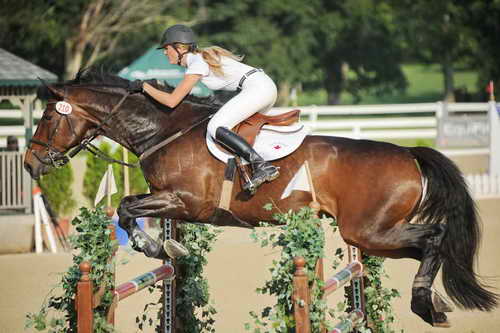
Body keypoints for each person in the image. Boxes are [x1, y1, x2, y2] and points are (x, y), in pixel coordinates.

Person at [127, 24, 279, 194]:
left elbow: (172, 101)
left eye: (166, 48)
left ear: (179, 48)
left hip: (258, 88)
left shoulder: (196, 63)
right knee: (235, 129)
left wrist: (144, 87)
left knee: (215, 126)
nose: (164, 52)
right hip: (262, 86)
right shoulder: (198, 59)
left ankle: (261, 165)